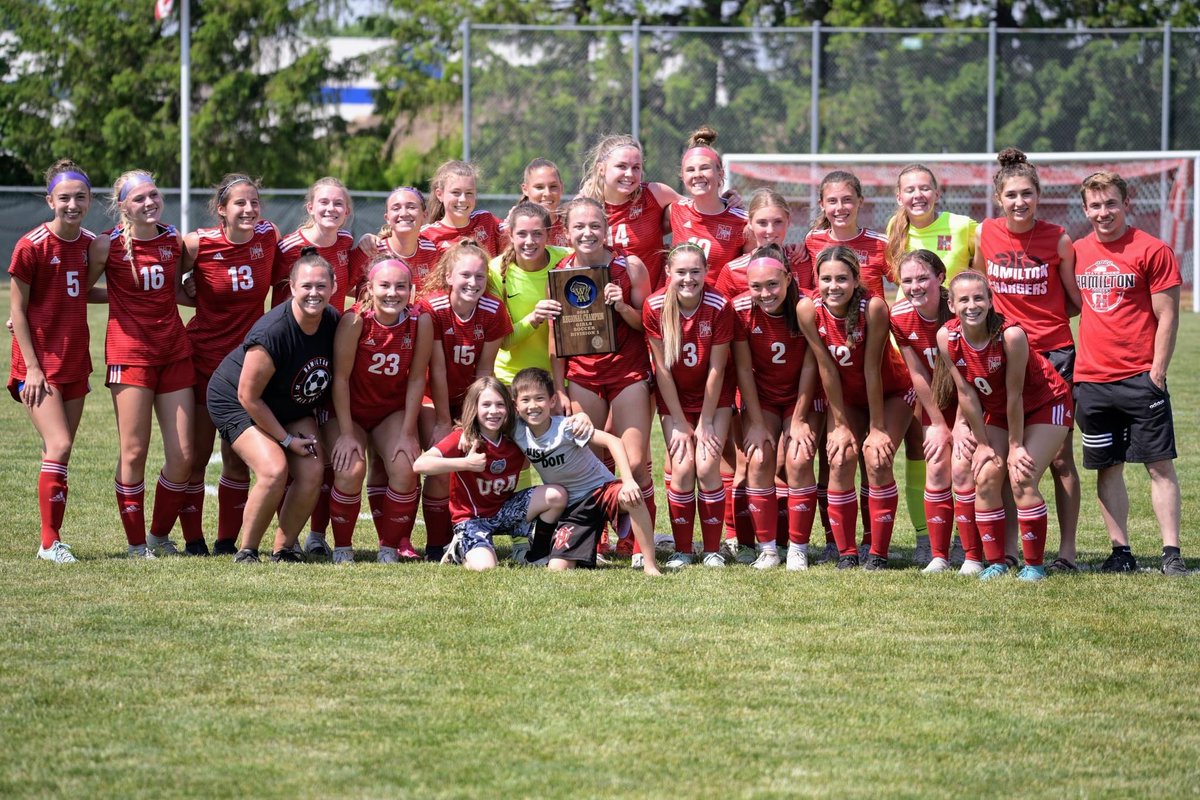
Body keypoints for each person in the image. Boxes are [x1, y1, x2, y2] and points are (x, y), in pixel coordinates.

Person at [974, 148, 1083, 571]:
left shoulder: (1058, 239)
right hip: (1002, 354)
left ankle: (1067, 553)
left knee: (1059, 459)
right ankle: (1011, 550)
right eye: (1012, 195)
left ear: (1038, 196)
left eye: (1027, 194)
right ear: (999, 199)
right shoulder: (986, 234)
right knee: (1006, 458)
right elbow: (981, 288)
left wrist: (1042, 323)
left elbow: (1074, 302)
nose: (1020, 202)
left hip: (1052, 353)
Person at [1072, 171, 1185, 576]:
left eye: (1111, 204)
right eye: (1096, 205)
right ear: (1085, 209)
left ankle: (1171, 553)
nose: (1104, 212)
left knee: (1159, 465)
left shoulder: (1152, 249)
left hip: (1141, 377)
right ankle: (1121, 552)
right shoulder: (1078, 251)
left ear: (1126, 203)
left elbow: (1167, 316)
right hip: (1092, 380)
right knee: (1108, 466)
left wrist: (1157, 372)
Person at [938, 271, 1074, 581]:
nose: (972, 305)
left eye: (978, 298)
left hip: (1045, 404)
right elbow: (966, 393)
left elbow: (1015, 396)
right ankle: (997, 561)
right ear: (951, 304)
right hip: (1000, 410)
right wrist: (984, 444)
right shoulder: (947, 337)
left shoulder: (1010, 335)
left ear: (990, 301)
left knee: (1021, 475)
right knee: (984, 475)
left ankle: (1034, 565)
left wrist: (1015, 447)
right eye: (963, 299)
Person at [205, 252, 339, 563]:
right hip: (238, 400)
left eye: (321, 285)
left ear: (333, 287)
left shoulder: (332, 320)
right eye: (306, 286)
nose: (314, 293)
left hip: (289, 402)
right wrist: (287, 440)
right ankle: (247, 550)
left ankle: (283, 548)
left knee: (312, 469)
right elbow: (249, 397)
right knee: (274, 469)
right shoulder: (273, 333)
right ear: (291, 287)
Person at [90, 170, 197, 558]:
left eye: (154, 195)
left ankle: (158, 535)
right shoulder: (107, 246)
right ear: (123, 207)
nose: (149, 203)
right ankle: (136, 544)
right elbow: (80, 289)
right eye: (139, 199)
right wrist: (120, 297)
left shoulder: (173, 239)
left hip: (174, 352)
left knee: (183, 456)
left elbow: (176, 292)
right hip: (129, 356)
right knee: (133, 452)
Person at [180, 174, 283, 555]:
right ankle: (193, 540)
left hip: (248, 364)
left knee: (237, 461)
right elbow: (164, 284)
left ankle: (227, 541)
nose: (249, 209)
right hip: (204, 359)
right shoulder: (198, 243)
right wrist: (195, 294)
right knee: (196, 456)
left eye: (254, 202)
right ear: (221, 210)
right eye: (240, 203)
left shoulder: (267, 235)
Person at [550, 197, 659, 554]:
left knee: (634, 460)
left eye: (594, 226)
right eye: (579, 226)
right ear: (566, 232)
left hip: (627, 371)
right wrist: (560, 388)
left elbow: (648, 325)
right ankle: (594, 538)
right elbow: (557, 337)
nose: (587, 233)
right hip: (583, 375)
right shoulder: (561, 271)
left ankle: (637, 542)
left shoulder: (630, 267)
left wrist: (622, 305)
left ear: (607, 229)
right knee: (588, 462)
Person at [797, 246, 914, 570]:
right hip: (848, 398)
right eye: (826, 279)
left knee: (877, 459)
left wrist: (876, 429)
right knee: (840, 457)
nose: (833, 286)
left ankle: (877, 552)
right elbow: (827, 369)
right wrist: (841, 425)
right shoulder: (808, 309)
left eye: (841, 279)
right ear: (816, 280)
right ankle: (846, 552)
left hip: (890, 392)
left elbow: (872, 369)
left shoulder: (873, 307)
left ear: (855, 280)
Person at [884, 164, 979, 564]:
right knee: (922, 449)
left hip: (964, 349)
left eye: (925, 188)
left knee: (970, 454)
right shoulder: (894, 230)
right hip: (911, 356)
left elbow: (984, 282)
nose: (918, 195)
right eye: (910, 189)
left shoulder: (966, 226)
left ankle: (978, 544)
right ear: (899, 196)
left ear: (938, 192)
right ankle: (928, 539)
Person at [9, 160, 101, 564]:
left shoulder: (91, 243)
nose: (72, 204)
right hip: (38, 365)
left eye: (80, 197)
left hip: (75, 359)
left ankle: (52, 539)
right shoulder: (32, 245)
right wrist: (31, 368)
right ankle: (49, 543)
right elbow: (18, 310)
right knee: (59, 444)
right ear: (50, 200)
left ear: (90, 200)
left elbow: (81, 291)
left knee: (58, 449)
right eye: (64, 197)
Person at [325, 259, 432, 563]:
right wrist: (346, 433)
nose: (392, 293)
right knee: (350, 468)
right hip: (350, 411)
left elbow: (415, 379)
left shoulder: (419, 320)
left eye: (401, 286)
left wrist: (409, 433)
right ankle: (343, 548)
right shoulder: (356, 319)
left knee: (405, 466)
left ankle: (389, 546)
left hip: (390, 411)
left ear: (411, 290)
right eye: (384, 285)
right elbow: (341, 379)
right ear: (370, 288)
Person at [416, 240, 514, 560]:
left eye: (480, 277)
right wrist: (446, 419)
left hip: (471, 397)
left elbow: (485, 371)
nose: (473, 283)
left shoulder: (493, 310)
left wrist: (474, 417)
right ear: (448, 276)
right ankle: (435, 545)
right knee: (442, 462)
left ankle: (466, 532)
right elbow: (437, 369)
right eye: (466, 275)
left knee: (477, 456)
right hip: (433, 397)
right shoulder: (432, 308)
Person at [510, 368, 661, 574]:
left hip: (600, 491)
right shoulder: (517, 430)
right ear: (515, 406)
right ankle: (583, 548)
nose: (533, 406)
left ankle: (650, 564)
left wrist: (627, 480)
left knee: (633, 496)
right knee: (557, 569)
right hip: (573, 508)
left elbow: (613, 441)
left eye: (539, 398)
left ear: (552, 401)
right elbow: (486, 424)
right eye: (525, 400)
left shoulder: (566, 427)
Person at [642, 243, 737, 569]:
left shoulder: (719, 305)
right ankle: (683, 550)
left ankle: (712, 549)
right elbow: (662, 369)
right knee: (682, 467)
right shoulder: (654, 306)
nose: (688, 278)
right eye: (681, 272)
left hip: (715, 398)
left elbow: (717, 368)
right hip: (676, 401)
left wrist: (707, 421)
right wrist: (681, 423)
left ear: (706, 271)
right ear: (668, 273)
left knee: (708, 464)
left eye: (695, 271)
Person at [890, 250, 983, 575]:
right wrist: (939, 424)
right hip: (937, 404)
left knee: (962, 469)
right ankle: (938, 555)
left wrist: (959, 424)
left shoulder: (960, 311)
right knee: (937, 467)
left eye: (922, 278)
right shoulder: (899, 315)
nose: (915, 286)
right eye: (908, 280)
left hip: (975, 400)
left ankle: (970, 552)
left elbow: (969, 373)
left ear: (940, 277)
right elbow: (917, 374)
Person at [412, 377, 568, 571]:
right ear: (474, 408)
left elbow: (550, 424)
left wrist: (581, 418)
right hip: (472, 519)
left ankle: (536, 554)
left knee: (556, 495)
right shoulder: (463, 438)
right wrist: (465, 463)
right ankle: (459, 550)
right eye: (486, 405)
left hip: (505, 511)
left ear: (509, 407)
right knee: (486, 568)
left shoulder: (516, 435)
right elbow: (420, 464)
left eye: (499, 405)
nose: (493, 411)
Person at [730, 245, 821, 570]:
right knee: (758, 459)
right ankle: (767, 549)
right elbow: (743, 370)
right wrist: (754, 422)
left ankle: (798, 548)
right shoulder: (740, 309)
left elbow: (812, 365)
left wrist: (798, 419)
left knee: (798, 460)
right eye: (756, 286)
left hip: (803, 396)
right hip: (764, 397)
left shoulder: (806, 305)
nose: (765, 293)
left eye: (773, 285)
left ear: (788, 277)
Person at [577, 133, 684, 290]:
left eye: (636, 168)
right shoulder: (584, 206)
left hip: (652, 303)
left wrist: (728, 200)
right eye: (621, 166)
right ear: (601, 169)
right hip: (604, 304)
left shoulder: (655, 194)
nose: (629, 174)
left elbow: (698, 211)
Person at [487, 201, 570, 385]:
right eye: (522, 234)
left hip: (561, 379)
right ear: (511, 235)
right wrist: (534, 317)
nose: (529, 241)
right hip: (511, 379)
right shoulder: (494, 270)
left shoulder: (567, 260)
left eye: (537, 234)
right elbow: (504, 342)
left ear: (548, 234)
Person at [273, 177, 369, 310]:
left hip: (334, 327)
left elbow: (344, 286)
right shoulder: (289, 248)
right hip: (295, 329)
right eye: (324, 202)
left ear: (346, 211)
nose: (331, 208)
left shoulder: (346, 241)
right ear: (310, 208)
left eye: (338, 203)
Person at [667, 126, 747, 280]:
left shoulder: (742, 222)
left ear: (720, 174)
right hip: (675, 301)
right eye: (690, 170)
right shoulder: (675, 210)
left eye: (705, 168)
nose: (697, 175)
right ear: (682, 177)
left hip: (718, 303)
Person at [804, 171, 889, 299]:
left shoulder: (880, 244)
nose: (840, 207)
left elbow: (905, 282)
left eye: (847, 200)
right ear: (822, 205)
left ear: (860, 201)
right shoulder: (812, 240)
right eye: (832, 201)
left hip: (869, 318)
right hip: (826, 318)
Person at [715, 187, 812, 299]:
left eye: (778, 222)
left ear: (788, 221)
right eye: (762, 223)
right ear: (750, 223)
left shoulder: (802, 261)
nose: (770, 230)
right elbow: (719, 313)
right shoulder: (733, 271)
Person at [421, 161, 505, 257]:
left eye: (469, 193)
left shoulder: (486, 220)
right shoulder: (427, 236)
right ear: (440, 194)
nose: (463, 199)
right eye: (456, 192)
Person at [366, 186, 441, 292]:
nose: (404, 213)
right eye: (396, 208)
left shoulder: (432, 251)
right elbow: (345, 287)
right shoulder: (371, 250)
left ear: (424, 215)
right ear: (387, 218)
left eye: (411, 207)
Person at [519, 158, 570, 247]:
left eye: (553, 186)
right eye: (539, 187)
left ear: (561, 188)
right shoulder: (512, 230)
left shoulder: (571, 227)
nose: (547, 193)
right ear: (525, 189)